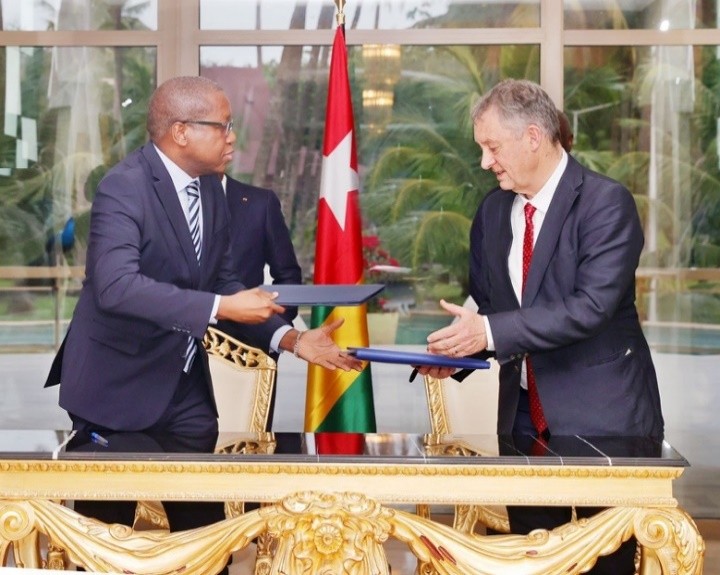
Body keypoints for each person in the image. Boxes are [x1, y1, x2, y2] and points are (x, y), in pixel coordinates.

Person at [44, 76, 360, 573]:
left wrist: (291, 339)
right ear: (181, 131)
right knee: (105, 550)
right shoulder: (124, 187)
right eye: (223, 126)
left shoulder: (210, 189)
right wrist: (219, 307)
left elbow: (223, 279)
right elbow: (116, 286)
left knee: (207, 547)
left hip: (186, 396)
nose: (233, 138)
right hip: (116, 392)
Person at [417, 79, 663, 575]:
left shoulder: (606, 203)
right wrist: (458, 353)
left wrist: (486, 332)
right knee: (532, 561)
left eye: (492, 147)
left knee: (607, 563)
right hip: (523, 422)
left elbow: (591, 307)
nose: (484, 162)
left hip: (605, 420)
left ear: (533, 136)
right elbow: (494, 308)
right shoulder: (492, 212)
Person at [216, 172, 302, 431]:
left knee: (249, 443)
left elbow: (287, 275)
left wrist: (271, 336)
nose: (229, 148)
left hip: (248, 354)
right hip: (175, 357)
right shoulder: (166, 199)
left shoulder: (259, 202)